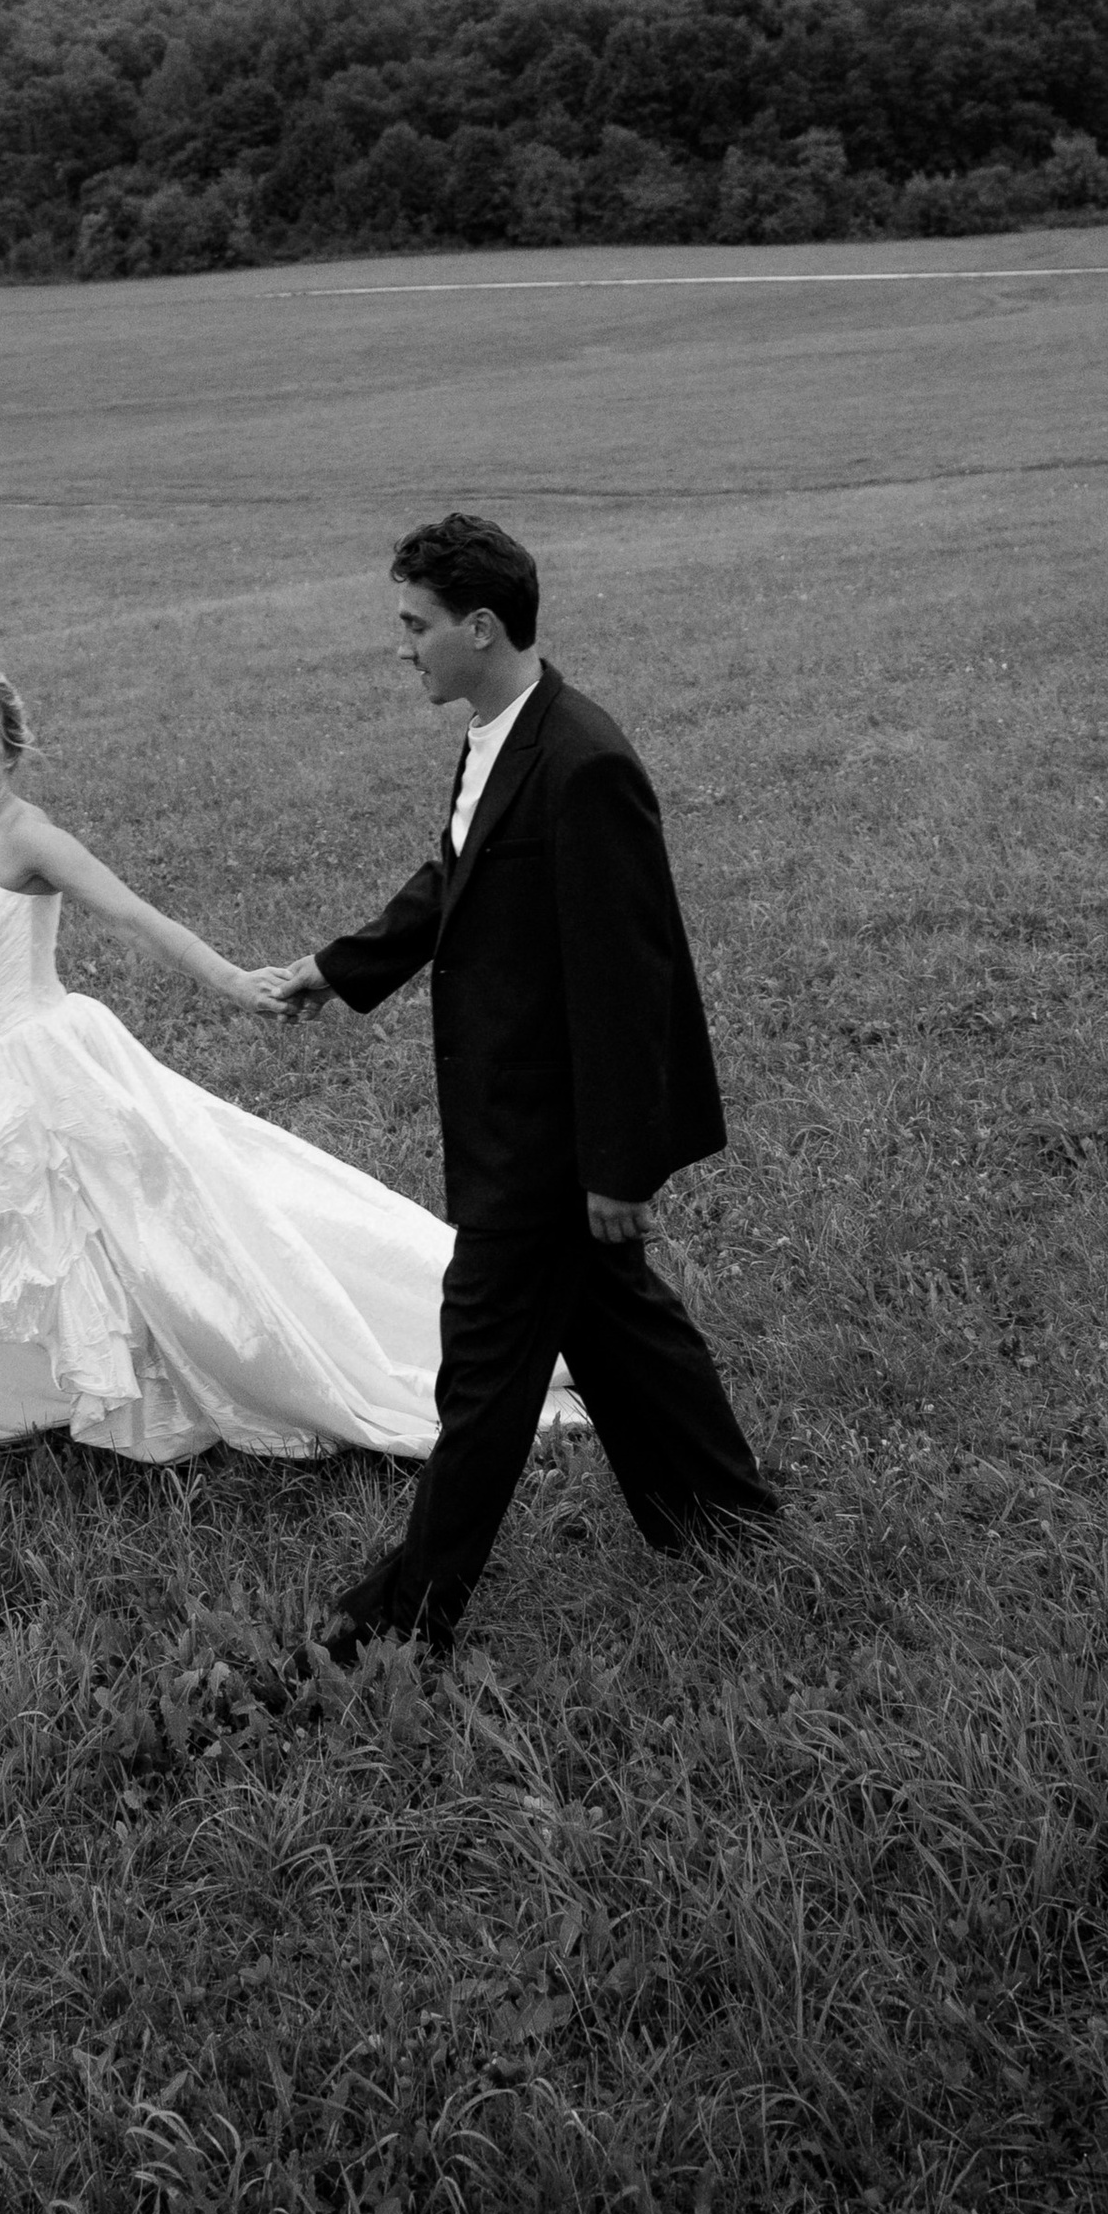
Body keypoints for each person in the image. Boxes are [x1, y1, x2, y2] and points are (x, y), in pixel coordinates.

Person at [0, 663, 582, 1516]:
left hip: (41, 1071)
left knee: (158, 1235)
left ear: (11, 753)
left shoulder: (30, 838)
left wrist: (237, 983)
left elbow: (139, 917)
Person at [256, 512, 775, 1655]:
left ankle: (397, 1623)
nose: (403, 648)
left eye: (415, 626)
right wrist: (339, 971)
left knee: (483, 1378)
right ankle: (731, 1523)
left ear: (480, 628)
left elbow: (626, 979)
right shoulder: (499, 729)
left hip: (545, 1142)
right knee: (620, 1326)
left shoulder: (582, 762)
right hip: (509, 1116)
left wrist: (619, 1165)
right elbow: (455, 873)